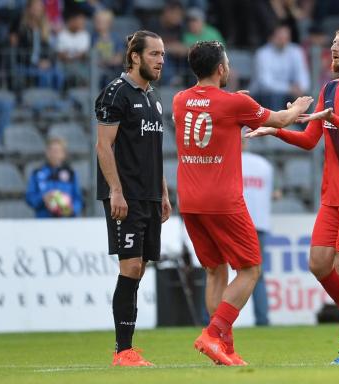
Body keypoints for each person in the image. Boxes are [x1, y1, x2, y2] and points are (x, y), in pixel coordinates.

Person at [247, 24, 339, 365]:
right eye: (332, 43)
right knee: (318, 263)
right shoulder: (328, 89)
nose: (334, 48)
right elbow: (311, 140)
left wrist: (337, 120)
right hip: (334, 192)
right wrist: (277, 130)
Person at [173, 40, 312, 366]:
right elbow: (277, 120)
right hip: (222, 199)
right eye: (228, 63)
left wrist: (240, 107)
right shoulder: (233, 103)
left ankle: (225, 348)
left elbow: (215, 114)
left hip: (190, 200)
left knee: (214, 271)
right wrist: (297, 108)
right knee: (250, 270)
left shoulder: (179, 100)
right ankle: (212, 334)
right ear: (221, 68)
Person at [95, 30, 172, 367]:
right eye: (154, 54)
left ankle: (126, 348)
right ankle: (123, 351)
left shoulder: (153, 96)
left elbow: (153, 150)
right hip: (125, 196)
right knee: (130, 266)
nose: (161, 60)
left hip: (150, 195)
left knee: (139, 268)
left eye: (163, 54)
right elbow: (103, 146)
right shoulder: (116, 93)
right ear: (136, 56)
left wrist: (165, 193)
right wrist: (115, 190)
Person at [242, 138, 273, 326]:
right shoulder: (264, 165)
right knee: (257, 274)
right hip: (258, 224)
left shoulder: (226, 160)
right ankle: (262, 319)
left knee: (216, 270)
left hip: (232, 221)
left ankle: (211, 320)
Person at [251, 23, 310, 111]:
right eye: (280, 37)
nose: (283, 40)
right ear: (271, 38)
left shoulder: (296, 51)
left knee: (305, 98)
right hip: (262, 95)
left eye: (286, 37)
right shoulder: (262, 54)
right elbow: (266, 84)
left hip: (289, 93)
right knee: (276, 95)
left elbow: (303, 76)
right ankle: (275, 124)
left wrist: (301, 88)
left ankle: (303, 124)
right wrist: (289, 89)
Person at [25, 137, 83, 218]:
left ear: (63, 154)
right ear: (47, 153)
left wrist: (71, 209)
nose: (54, 154)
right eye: (52, 150)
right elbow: (29, 198)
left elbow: (78, 198)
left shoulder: (71, 173)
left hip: (66, 221)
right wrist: (43, 199)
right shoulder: (37, 173)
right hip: (44, 221)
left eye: (57, 151)